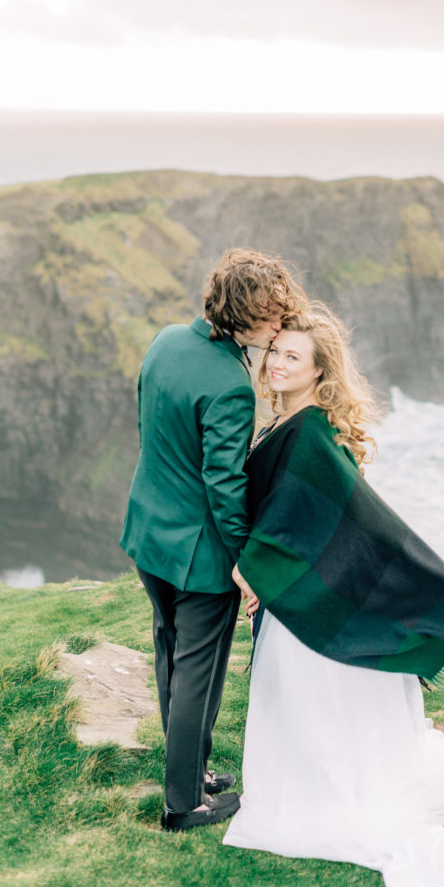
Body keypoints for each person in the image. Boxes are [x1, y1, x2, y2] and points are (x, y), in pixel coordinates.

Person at [224, 304, 444, 887]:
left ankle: (325, 798)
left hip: (305, 608)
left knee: (313, 705)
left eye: (292, 357)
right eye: (274, 352)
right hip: (299, 598)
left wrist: (253, 569)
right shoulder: (295, 423)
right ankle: (320, 785)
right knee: (305, 707)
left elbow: (305, 522)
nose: (276, 363)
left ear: (319, 372)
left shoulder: (309, 432)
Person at [120, 248, 302, 832]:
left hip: (149, 533)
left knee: (170, 652)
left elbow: (149, 425)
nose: (278, 328)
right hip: (199, 554)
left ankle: (190, 771)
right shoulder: (231, 385)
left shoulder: (166, 341)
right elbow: (225, 486)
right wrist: (248, 556)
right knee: (199, 671)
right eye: (272, 316)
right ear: (245, 314)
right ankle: (183, 805)